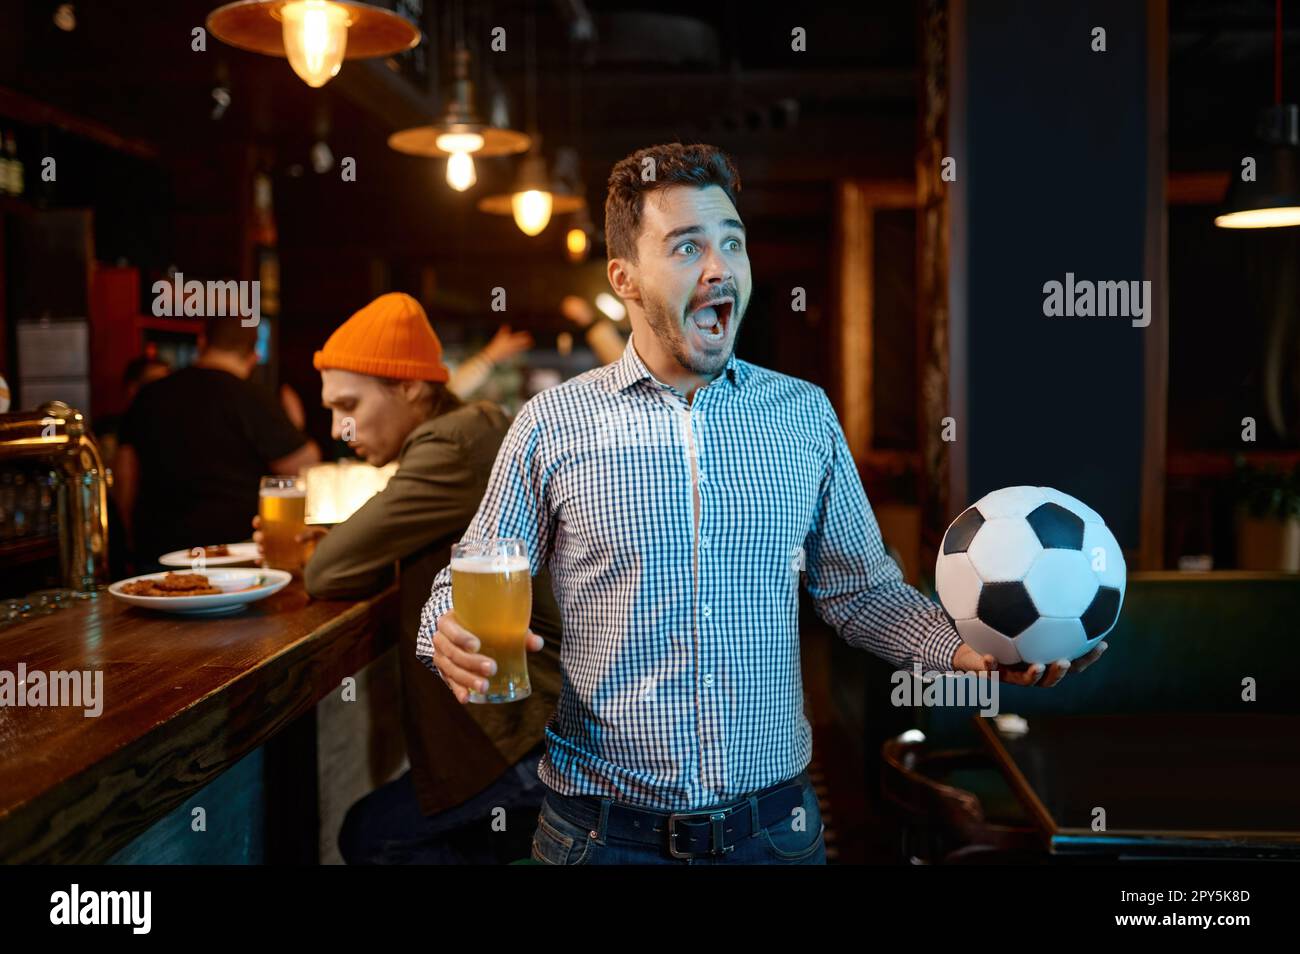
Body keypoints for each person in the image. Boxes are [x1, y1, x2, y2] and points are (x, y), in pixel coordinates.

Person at [419, 143, 1109, 865]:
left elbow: (860, 591)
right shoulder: (550, 423)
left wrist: (972, 650)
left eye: (733, 244)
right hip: (599, 837)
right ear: (624, 278)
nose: (720, 269)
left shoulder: (802, 415)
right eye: (687, 247)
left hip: (773, 834)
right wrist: (445, 632)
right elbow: (467, 575)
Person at [275, 292, 563, 864]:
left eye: (349, 404)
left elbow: (329, 570)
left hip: (531, 735)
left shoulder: (451, 443)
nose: (339, 427)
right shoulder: (464, 429)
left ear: (409, 388)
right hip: (536, 722)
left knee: (372, 836)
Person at [115, 317, 319, 566]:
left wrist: (128, 542)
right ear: (254, 355)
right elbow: (301, 465)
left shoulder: (149, 394)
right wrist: (296, 427)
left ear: (202, 342)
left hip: (159, 553)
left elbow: (125, 473)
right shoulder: (253, 398)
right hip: (236, 554)